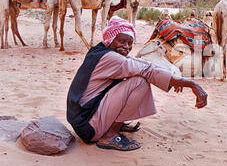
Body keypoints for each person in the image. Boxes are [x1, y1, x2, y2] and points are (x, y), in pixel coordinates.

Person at [66, 16, 208, 151]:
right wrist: (191, 84)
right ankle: (109, 134)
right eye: (121, 41)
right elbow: (147, 69)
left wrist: (173, 78)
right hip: (88, 127)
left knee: (137, 73)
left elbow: (141, 63)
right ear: (111, 39)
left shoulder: (100, 51)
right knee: (139, 82)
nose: (126, 47)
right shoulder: (110, 58)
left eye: (129, 43)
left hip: (83, 121)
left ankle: (111, 123)